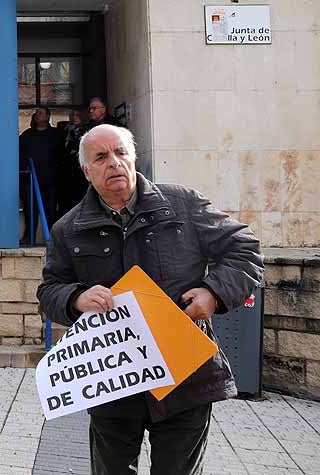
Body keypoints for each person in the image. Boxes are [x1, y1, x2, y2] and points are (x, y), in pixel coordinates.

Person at [37, 125, 263, 475]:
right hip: (112, 383)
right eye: (101, 157)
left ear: (134, 158)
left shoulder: (182, 204)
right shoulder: (68, 228)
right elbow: (50, 288)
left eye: (120, 153)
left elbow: (244, 249)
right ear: (86, 171)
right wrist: (77, 298)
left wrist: (214, 293)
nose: (114, 162)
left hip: (184, 379)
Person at [18, 107, 63, 240]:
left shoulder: (56, 135)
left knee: (50, 210)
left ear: (48, 116)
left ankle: (53, 239)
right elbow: (21, 157)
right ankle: (29, 236)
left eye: (41, 113)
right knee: (30, 210)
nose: (37, 115)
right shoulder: (26, 136)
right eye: (36, 113)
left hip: (51, 179)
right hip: (30, 179)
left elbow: (61, 157)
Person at [58, 108, 89, 218]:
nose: (75, 117)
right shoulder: (64, 130)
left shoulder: (87, 129)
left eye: (77, 115)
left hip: (81, 168)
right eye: (72, 115)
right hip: (66, 169)